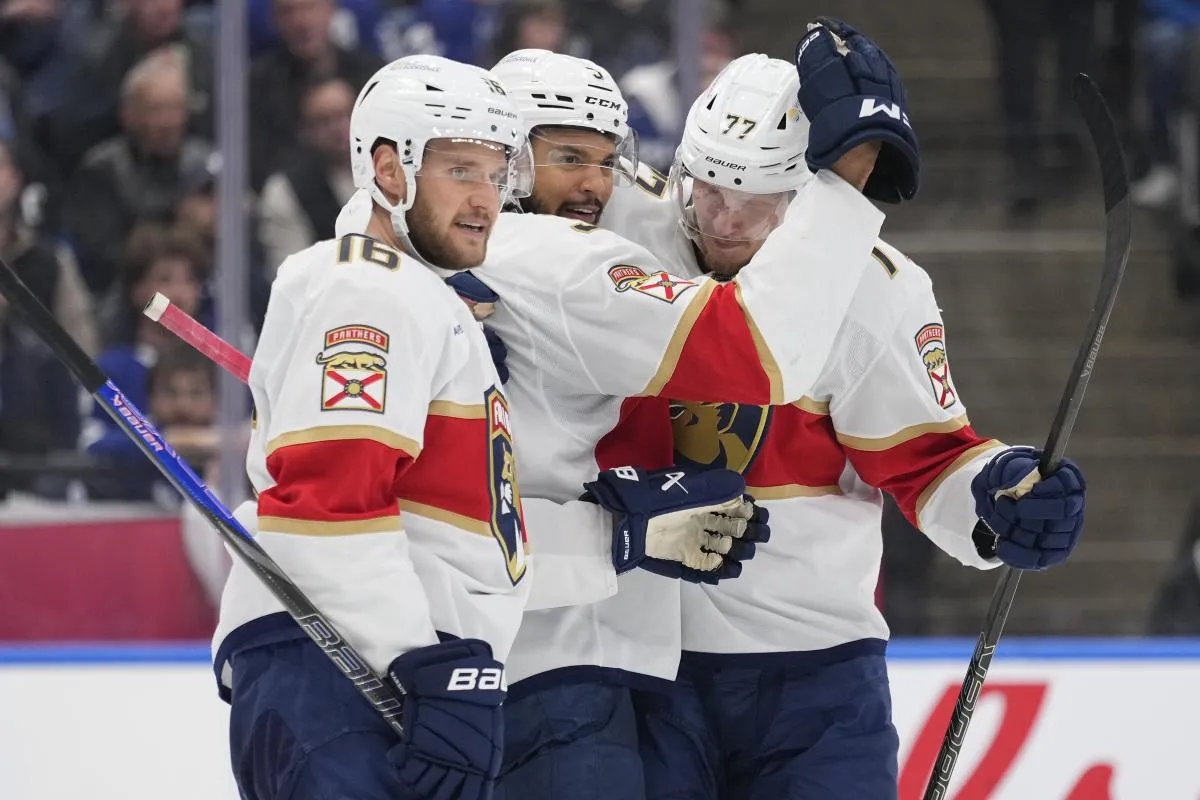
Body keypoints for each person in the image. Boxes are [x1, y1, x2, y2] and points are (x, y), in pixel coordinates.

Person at [366, 35, 897, 799]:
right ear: (505, 152)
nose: (597, 183)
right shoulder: (551, 256)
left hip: (571, 658)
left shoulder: (433, 250)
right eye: (570, 157)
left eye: (607, 158)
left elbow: (671, 197)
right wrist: (844, 186)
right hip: (552, 669)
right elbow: (752, 351)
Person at [594, 22, 1087, 799]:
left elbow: (929, 461)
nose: (724, 220)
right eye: (710, 188)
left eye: (756, 203)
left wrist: (999, 494)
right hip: (637, 660)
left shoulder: (874, 288)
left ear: (810, 193)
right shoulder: (619, 246)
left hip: (813, 675)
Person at [211, 55, 536, 800]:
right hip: (344, 668)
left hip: (385, 668)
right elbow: (329, 501)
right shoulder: (369, 287)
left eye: (494, 175)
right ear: (390, 171)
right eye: (461, 170)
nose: (486, 199)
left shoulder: (413, 295)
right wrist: (423, 665)